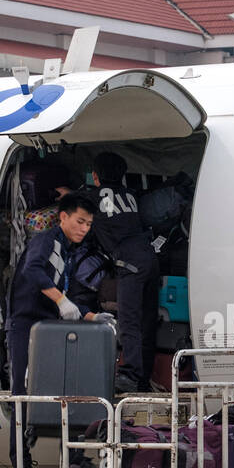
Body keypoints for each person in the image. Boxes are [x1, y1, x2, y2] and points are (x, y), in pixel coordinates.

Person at [5, 192, 113, 468]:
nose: (84, 228)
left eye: (89, 224)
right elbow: (32, 270)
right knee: (21, 394)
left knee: (66, 391)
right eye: (80, 221)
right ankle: (21, 464)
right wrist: (61, 301)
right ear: (63, 217)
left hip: (50, 328)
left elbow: (68, 297)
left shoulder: (68, 251)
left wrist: (92, 317)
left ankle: (73, 458)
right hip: (26, 326)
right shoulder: (45, 240)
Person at [88, 151, 160, 394]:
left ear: (95, 177)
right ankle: (143, 378)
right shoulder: (131, 195)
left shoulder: (92, 197)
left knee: (128, 320)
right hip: (149, 259)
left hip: (129, 265)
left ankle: (129, 375)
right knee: (147, 322)